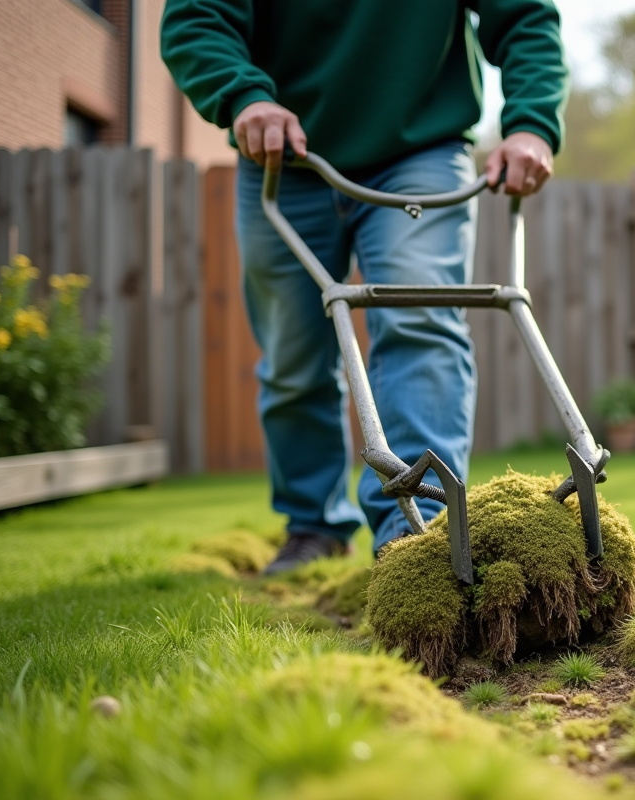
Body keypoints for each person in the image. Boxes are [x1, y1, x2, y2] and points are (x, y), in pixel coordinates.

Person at [161, 2, 567, 574]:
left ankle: (416, 531)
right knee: (293, 356)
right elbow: (196, 18)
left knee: (420, 322)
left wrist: (531, 122)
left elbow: (525, 15)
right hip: (282, 154)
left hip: (420, 147)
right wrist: (242, 95)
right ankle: (314, 525)